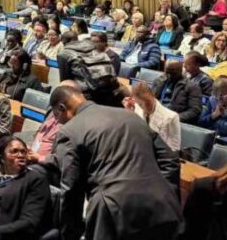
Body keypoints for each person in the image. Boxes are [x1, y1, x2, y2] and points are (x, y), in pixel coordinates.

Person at [50, 84, 183, 240]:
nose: (59, 122)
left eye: (57, 116)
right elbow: (170, 157)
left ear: (62, 107)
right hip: (163, 207)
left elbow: (71, 189)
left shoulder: (69, 131)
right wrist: (167, 190)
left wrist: (70, 234)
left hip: (114, 217)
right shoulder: (130, 116)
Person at [123, 81, 180, 152]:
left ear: (153, 96)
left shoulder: (171, 117)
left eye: (149, 102)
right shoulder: (136, 108)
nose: (146, 107)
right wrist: (128, 113)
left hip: (159, 154)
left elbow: (174, 149)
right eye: (140, 104)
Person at [151, 59, 202, 123]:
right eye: (167, 72)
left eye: (173, 73)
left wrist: (174, 118)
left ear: (180, 71)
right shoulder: (159, 81)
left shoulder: (192, 87)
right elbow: (150, 98)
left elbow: (195, 111)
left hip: (174, 119)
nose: (169, 76)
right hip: (155, 115)